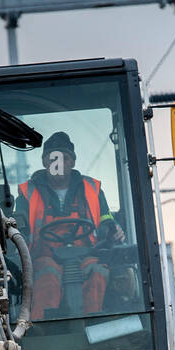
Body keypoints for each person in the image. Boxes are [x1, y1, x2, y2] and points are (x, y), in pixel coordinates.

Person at [15, 131, 125, 320]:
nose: (59, 164)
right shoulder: (27, 193)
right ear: (44, 162)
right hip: (44, 256)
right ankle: (41, 330)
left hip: (85, 256)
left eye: (64, 158)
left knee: (98, 272)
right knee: (47, 275)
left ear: (72, 162)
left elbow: (106, 220)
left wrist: (113, 231)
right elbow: (19, 228)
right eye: (53, 159)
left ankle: (93, 325)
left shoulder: (92, 189)